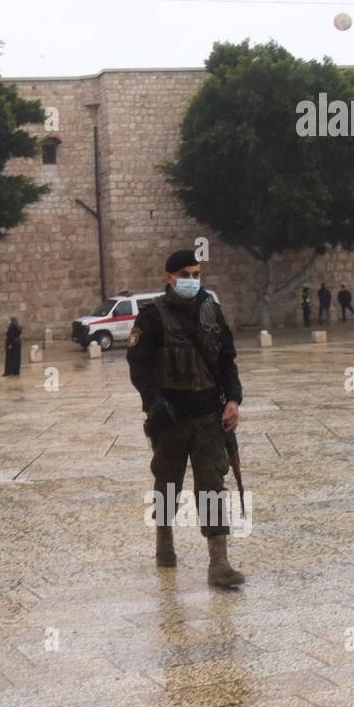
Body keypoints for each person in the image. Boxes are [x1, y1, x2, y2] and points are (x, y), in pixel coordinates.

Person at [127, 248, 245, 587]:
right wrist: (153, 401)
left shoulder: (212, 311)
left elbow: (227, 360)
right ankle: (164, 543)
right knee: (167, 484)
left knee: (212, 485)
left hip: (209, 414)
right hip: (171, 417)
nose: (191, 281)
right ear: (169, 278)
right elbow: (139, 365)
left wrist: (234, 399)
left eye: (196, 275)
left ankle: (219, 564)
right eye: (184, 276)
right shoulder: (151, 316)